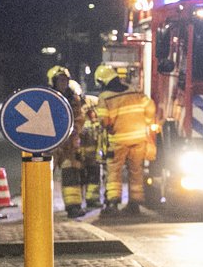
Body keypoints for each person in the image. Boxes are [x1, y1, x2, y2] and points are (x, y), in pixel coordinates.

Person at [95, 64, 157, 217]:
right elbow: (150, 108)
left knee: (114, 172)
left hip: (118, 141)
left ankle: (113, 204)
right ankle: (134, 205)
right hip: (138, 139)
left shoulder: (106, 97)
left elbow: (104, 121)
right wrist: (146, 122)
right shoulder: (135, 91)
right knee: (136, 172)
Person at [47, 66, 88, 217]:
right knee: (42, 176)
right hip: (50, 144)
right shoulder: (46, 98)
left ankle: (73, 207)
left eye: (65, 80)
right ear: (53, 82)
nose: (63, 83)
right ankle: (38, 207)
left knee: (71, 174)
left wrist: (75, 130)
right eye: (60, 80)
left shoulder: (73, 99)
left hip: (68, 144)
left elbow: (79, 118)